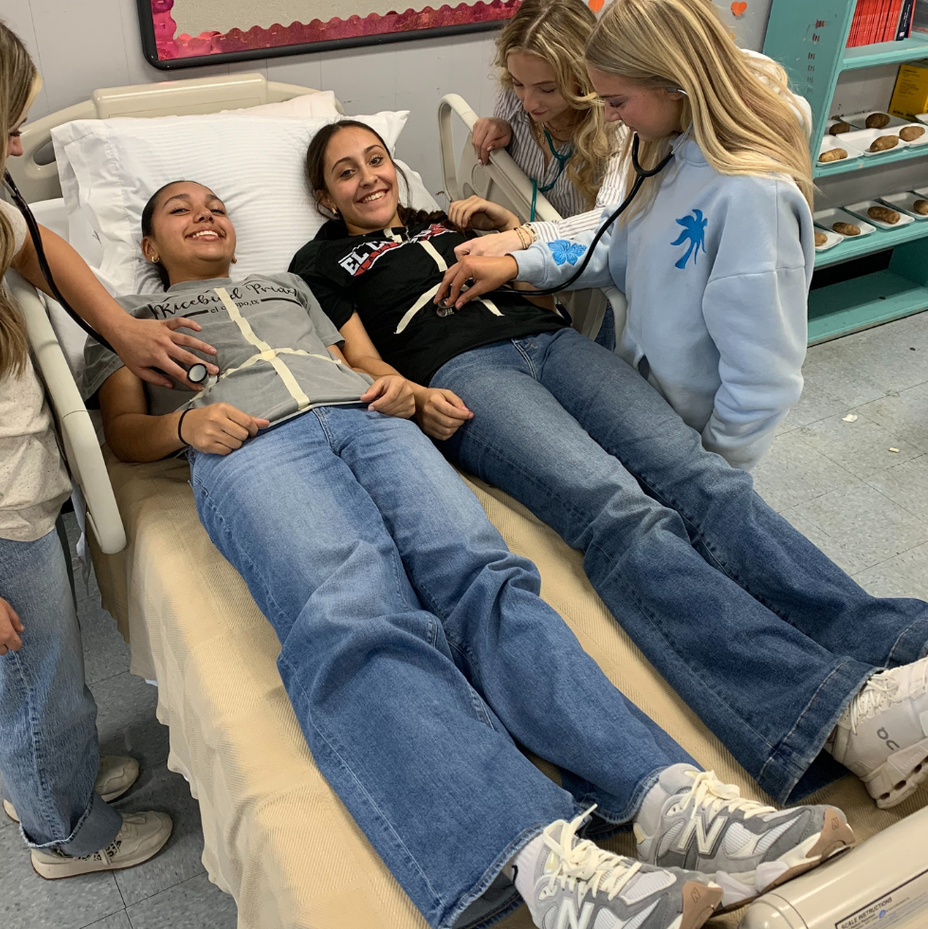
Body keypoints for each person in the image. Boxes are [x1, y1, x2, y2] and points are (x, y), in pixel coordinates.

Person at [86, 179, 860, 929]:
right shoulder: (124, 316)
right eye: (180, 209)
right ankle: (541, 862)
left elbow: (362, 361)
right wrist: (184, 429)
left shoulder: (291, 286)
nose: (206, 215)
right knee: (353, 613)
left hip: (371, 420)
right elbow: (123, 431)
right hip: (251, 445)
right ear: (150, 243)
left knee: (488, 581)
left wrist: (401, 392)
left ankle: (666, 799)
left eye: (217, 205)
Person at [289, 118, 928, 820]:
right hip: (464, 371)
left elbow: (545, 285)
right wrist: (412, 398)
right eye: (346, 171)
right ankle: (826, 711)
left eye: (375, 159)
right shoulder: (319, 264)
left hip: (550, 341)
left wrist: (512, 230)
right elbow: (359, 358)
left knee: (703, 476)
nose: (368, 177)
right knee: (620, 511)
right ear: (325, 196)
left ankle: (897, 644)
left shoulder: (446, 220)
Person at [0, 0, 221, 877]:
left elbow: (33, 244)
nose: (15, 146)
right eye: (5, 127)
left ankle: (53, 772)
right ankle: (65, 833)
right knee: (30, 681)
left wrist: (123, 327)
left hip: (6, 492)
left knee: (43, 673)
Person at [442, 0, 816, 471]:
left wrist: (713, 470)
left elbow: (763, 380)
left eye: (617, 102)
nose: (612, 118)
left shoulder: (753, 197)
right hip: (645, 400)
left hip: (700, 441)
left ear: (675, 85)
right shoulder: (660, 151)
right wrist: (518, 263)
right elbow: (614, 242)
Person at [468, 0, 622, 346]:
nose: (529, 102)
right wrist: (499, 126)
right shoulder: (517, 96)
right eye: (519, 84)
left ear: (585, 77)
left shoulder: (616, 122)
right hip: (527, 264)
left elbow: (609, 222)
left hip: (586, 271)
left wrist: (525, 236)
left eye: (547, 89)